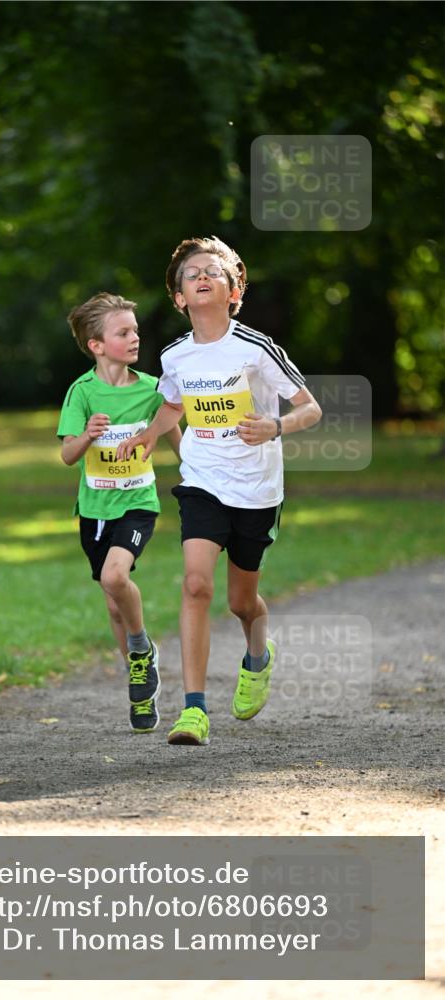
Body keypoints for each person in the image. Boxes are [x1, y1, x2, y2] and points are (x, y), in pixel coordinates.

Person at [117, 237, 322, 746]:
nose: (202, 277)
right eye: (192, 274)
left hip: (256, 489)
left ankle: (258, 656)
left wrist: (275, 428)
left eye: (214, 272)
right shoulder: (176, 355)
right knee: (195, 585)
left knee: (240, 602)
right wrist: (148, 434)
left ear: (235, 291)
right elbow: (171, 405)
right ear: (179, 297)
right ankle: (193, 710)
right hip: (202, 481)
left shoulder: (256, 348)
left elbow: (311, 408)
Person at [58, 292, 182, 733]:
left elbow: (176, 430)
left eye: (135, 330)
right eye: (123, 332)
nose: (135, 338)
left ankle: (140, 648)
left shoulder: (151, 389)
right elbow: (68, 455)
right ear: (96, 344)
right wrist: (88, 436)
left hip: (138, 504)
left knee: (115, 577)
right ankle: (141, 684)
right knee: (113, 604)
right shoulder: (82, 393)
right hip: (94, 510)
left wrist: (198, 476)